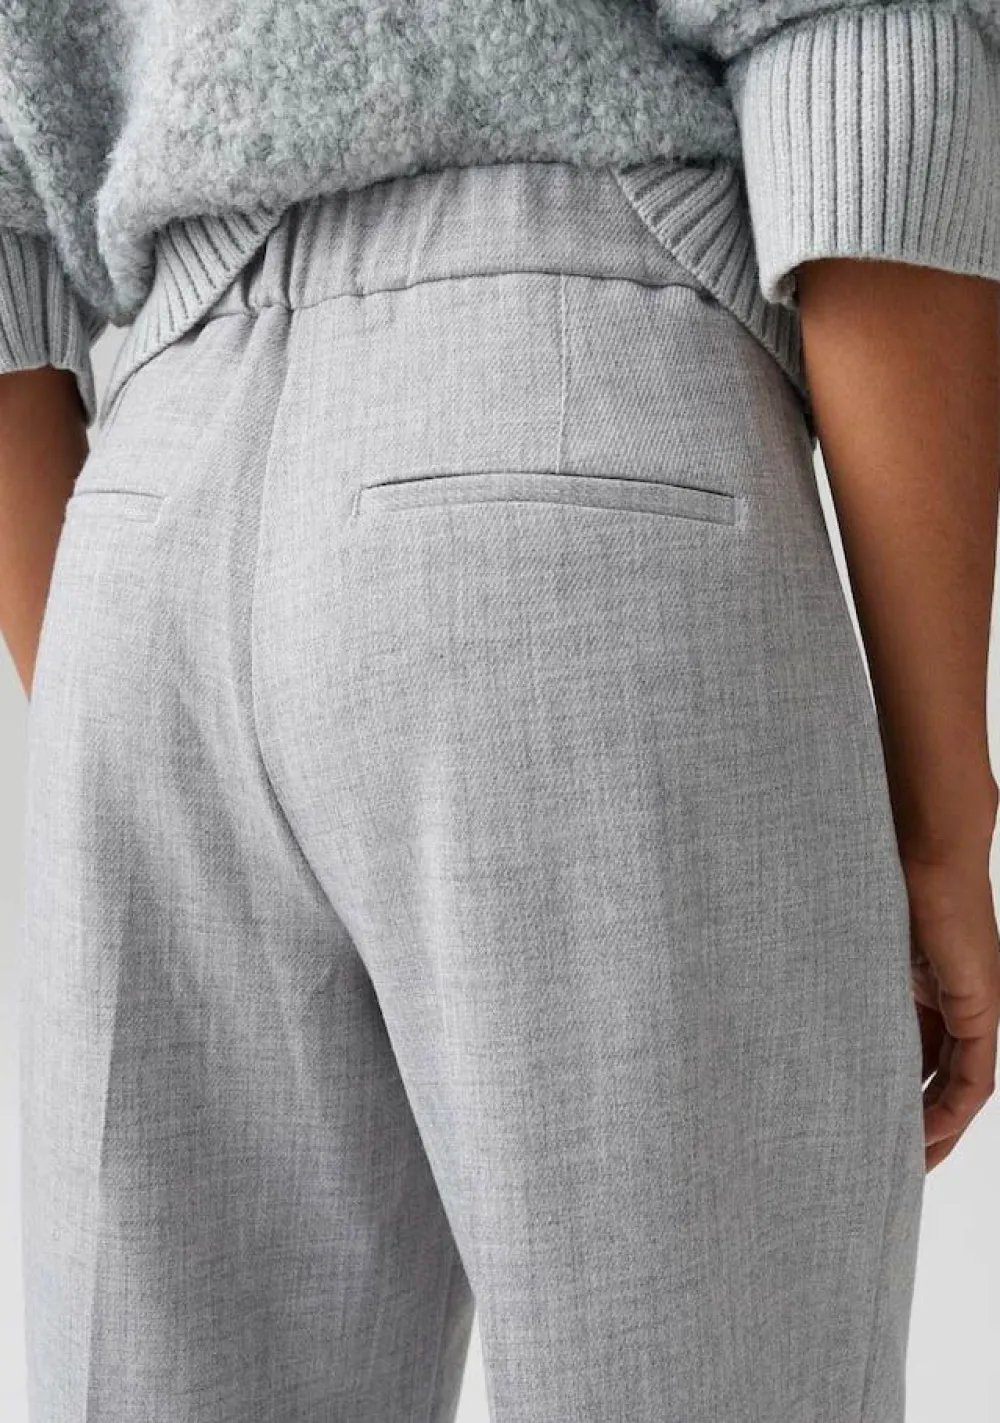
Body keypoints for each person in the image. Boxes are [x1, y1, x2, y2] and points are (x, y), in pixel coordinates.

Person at [1, 3, 999, 1419]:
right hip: (575, 433)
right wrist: (940, 812)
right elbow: (855, 50)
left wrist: (126, 704)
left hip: (139, 524)